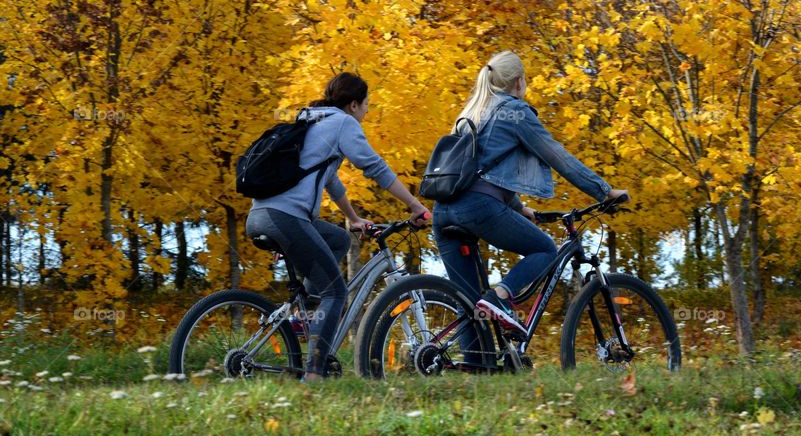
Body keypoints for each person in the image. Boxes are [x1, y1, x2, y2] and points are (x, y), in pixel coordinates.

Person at [245, 72, 430, 380]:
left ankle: (304, 317)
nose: (368, 111)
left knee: (339, 240)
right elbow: (374, 167)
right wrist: (414, 205)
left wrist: (352, 218)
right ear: (354, 104)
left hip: (261, 215)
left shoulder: (310, 121)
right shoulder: (344, 123)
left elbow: (328, 177)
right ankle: (314, 376)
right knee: (336, 292)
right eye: (367, 105)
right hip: (287, 218)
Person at [432, 51, 628, 338]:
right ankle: (502, 295)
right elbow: (557, 156)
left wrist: (519, 207)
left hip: (443, 209)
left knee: (469, 300)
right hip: (476, 208)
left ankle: (474, 364)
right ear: (520, 82)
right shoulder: (515, 112)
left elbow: (481, 168)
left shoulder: (471, 112)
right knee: (545, 249)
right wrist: (604, 191)